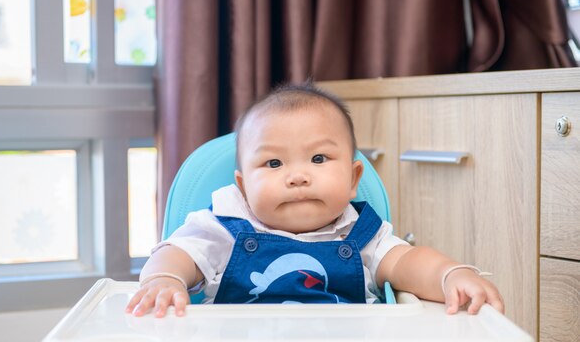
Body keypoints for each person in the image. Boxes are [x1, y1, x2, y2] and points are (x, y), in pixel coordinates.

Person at [126, 82, 505, 318]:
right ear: (243, 188)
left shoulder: (361, 234)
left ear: (354, 179)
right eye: (274, 163)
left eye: (318, 159)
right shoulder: (223, 225)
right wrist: (164, 278)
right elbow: (176, 252)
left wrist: (449, 274)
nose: (298, 175)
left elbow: (408, 260)